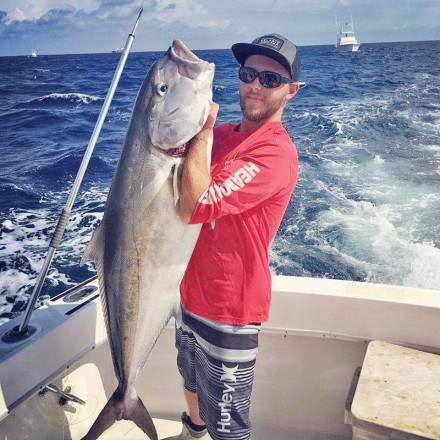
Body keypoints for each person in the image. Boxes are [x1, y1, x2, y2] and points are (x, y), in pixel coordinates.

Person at [172, 34, 301, 440]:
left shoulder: (275, 153)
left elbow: (194, 205)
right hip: (187, 292)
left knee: (228, 423)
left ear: (292, 91)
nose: (256, 85)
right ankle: (193, 431)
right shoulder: (222, 135)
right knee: (190, 379)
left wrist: (202, 131)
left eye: (271, 78)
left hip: (230, 307)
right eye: (249, 74)